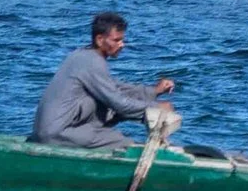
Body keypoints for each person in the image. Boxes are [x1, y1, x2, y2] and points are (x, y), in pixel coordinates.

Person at [31, 12, 177, 149]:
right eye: (116, 40)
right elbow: (119, 103)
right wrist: (155, 108)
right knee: (125, 143)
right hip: (57, 134)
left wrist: (154, 91)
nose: (122, 44)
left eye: (122, 40)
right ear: (100, 40)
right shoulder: (93, 62)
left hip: (48, 132)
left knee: (110, 110)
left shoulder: (82, 55)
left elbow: (114, 87)